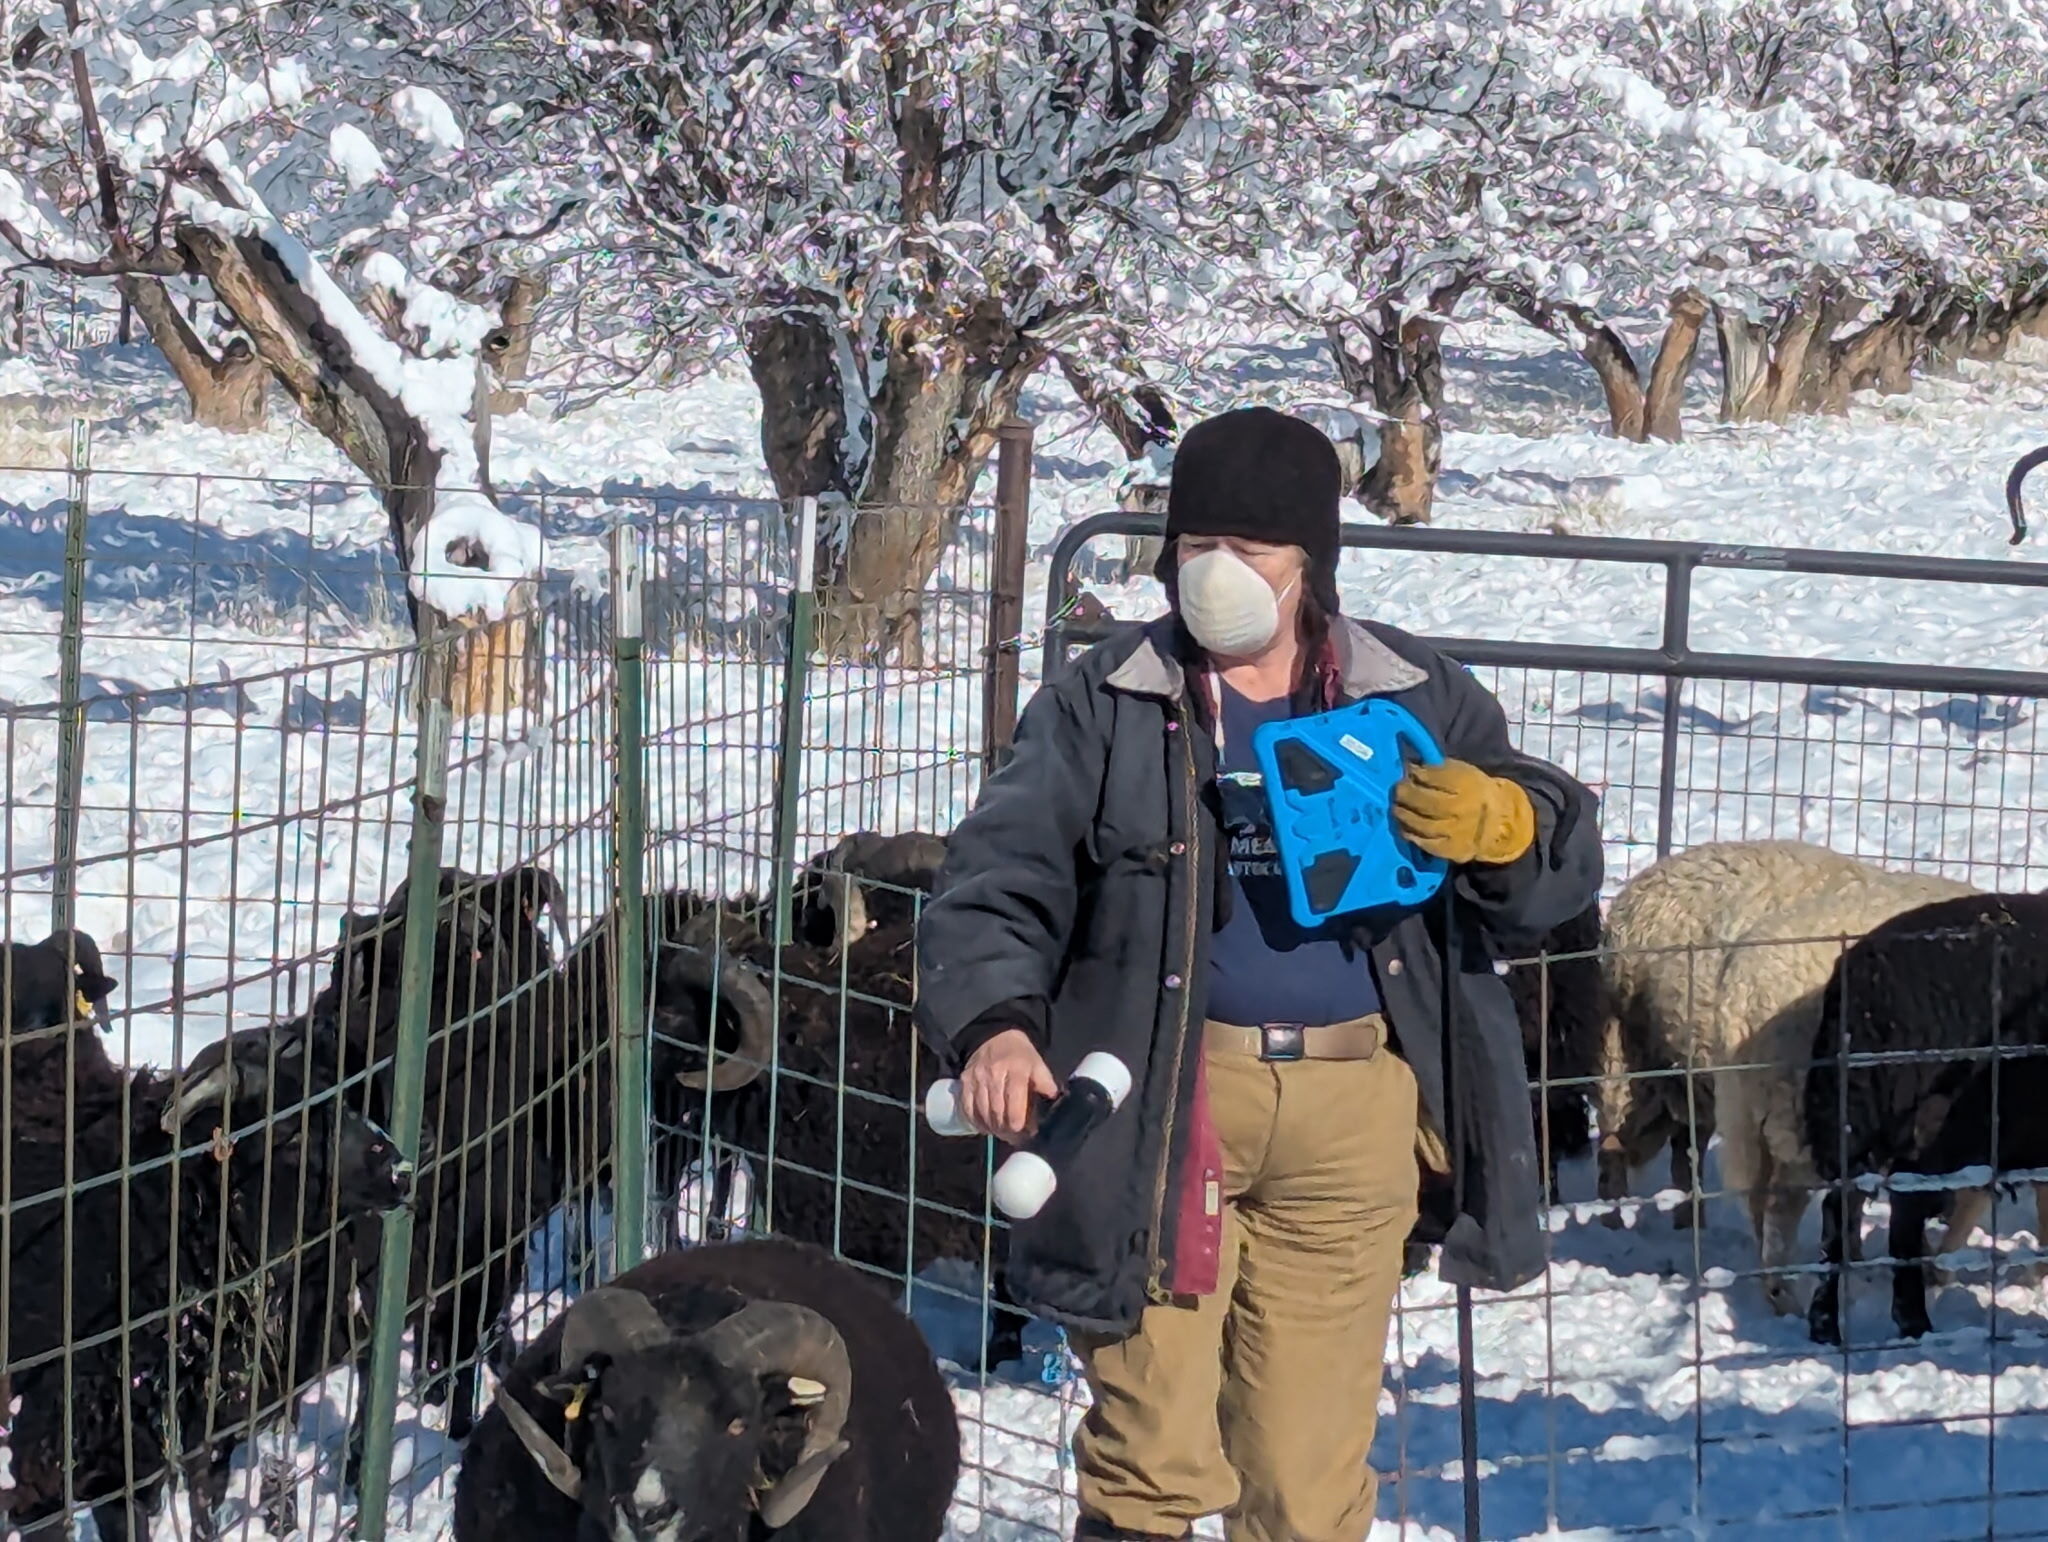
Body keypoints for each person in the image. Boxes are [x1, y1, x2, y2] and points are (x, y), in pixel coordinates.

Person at [913, 406, 1603, 1542]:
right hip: (1160, 1110)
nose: (1218, 575)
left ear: (1312, 563)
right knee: (1149, 1452)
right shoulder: (1106, 700)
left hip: (1352, 1112)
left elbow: (1556, 874)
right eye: (1193, 551)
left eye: (1253, 552)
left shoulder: (1409, 694)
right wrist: (992, 1021)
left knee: (1302, 1476)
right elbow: (999, 872)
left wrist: (1506, 825)